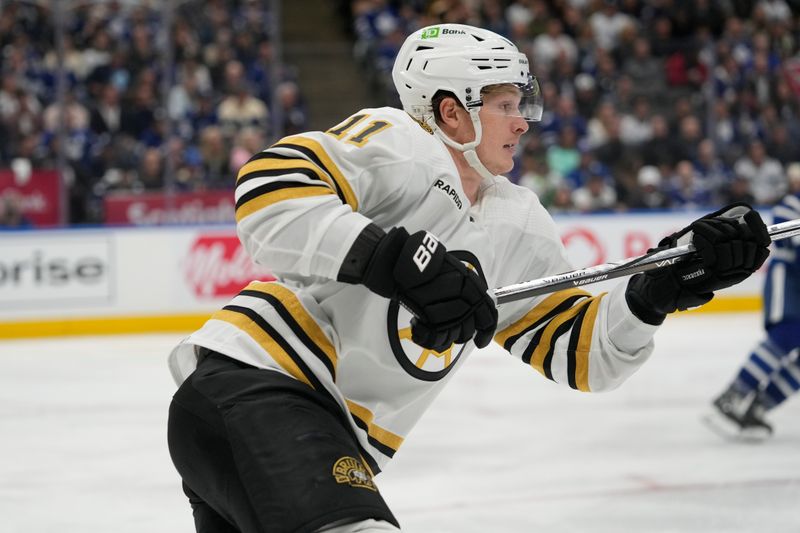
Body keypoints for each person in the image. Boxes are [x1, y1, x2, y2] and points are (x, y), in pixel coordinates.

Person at [166, 24, 771, 533]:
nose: (524, 122)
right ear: (451, 112)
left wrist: (657, 289)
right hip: (263, 385)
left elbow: (582, 354)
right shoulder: (403, 144)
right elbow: (270, 190)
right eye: (506, 105)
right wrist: (391, 258)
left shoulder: (520, 222)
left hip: (312, 430)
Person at [703, 162, 800, 441]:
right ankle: (732, 397)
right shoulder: (791, 205)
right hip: (790, 283)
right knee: (786, 336)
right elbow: (788, 241)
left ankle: (759, 408)